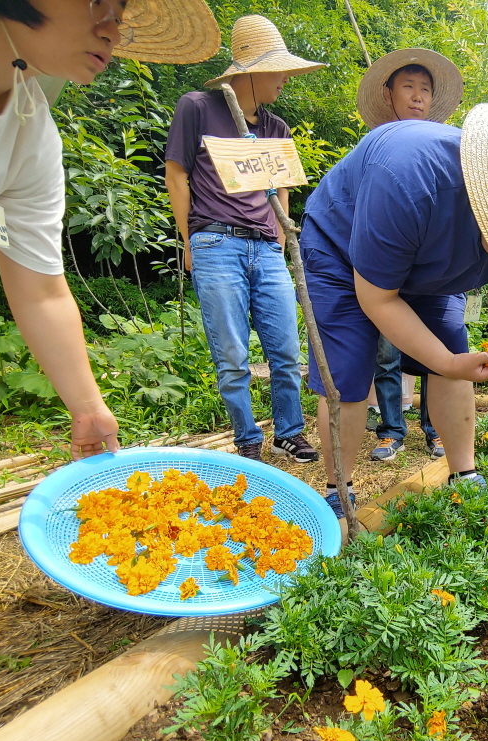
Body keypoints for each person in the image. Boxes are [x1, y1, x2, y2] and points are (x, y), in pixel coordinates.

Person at [0, 0, 218, 684]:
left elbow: (41, 289)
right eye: (99, 4)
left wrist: (88, 408)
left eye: (122, 11)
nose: (116, 27)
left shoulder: (30, 135)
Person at [299, 104, 488, 517]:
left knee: (452, 348)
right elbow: (378, 299)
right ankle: (340, 490)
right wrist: (447, 362)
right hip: (343, 246)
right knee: (348, 370)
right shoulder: (409, 182)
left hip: (428, 260)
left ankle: (464, 473)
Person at [165, 15, 323, 464]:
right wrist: (189, 241)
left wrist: (279, 238)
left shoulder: (277, 128)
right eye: (279, 71)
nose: (286, 79)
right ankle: (247, 437)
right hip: (215, 243)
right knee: (232, 353)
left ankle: (288, 432)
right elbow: (176, 175)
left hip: (266, 247)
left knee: (286, 351)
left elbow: (283, 186)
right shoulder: (197, 107)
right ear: (253, 70)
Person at [355, 48, 464, 462]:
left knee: (441, 348)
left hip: (436, 272)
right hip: (389, 269)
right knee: (388, 352)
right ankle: (390, 430)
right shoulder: (375, 146)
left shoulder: (448, 148)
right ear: (388, 94)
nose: (417, 96)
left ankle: (435, 430)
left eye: (424, 89)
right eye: (408, 87)